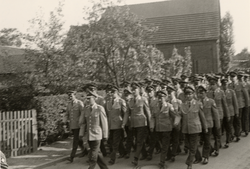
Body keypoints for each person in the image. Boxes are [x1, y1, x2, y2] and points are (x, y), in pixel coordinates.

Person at [179, 86, 208, 169]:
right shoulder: (182, 105)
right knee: (190, 145)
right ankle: (198, 157)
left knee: (192, 146)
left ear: (193, 94)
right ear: (185, 96)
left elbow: (202, 117)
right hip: (186, 129)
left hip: (195, 128)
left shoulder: (198, 104)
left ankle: (189, 164)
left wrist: (205, 127)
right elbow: (179, 115)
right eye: (186, 94)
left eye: (190, 94)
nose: (188, 96)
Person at [150, 90, 179, 169]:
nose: (159, 99)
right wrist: (152, 126)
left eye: (161, 97)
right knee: (163, 144)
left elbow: (176, 116)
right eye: (158, 97)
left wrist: (176, 123)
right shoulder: (155, 107)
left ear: (165, 97)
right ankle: (170, 155)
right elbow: (152, 117)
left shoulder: (169, 106)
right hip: (158, 129)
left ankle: (162, 162)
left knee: (165, 145)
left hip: (167, 128)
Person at [81, 91, 109, 169]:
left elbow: (104, 123)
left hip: (97, 135)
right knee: (98, 153)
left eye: (89, 99)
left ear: (95, 99)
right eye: (87, 99)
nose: (87, 100)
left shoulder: (100, 108)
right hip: (89, 135)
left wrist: (105, 135)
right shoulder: (86, 109)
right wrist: (81, 133)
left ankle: (91, 167)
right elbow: (84, 123)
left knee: (93, 154)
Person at [195, 85, 220, 165]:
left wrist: (217, 125)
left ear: (205, 93)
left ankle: (205, 157)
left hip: (209, 124)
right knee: (204, 139)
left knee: (206, 140)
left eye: (202, 93)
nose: (200, 95)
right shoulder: (196, 102)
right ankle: (211, 150)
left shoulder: (211, 101)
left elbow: (215, 114)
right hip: (199, 125)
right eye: (199, 93)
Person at [104, 85, 128, 165]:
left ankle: (112, 159)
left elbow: (125, 113)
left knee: (115, 142)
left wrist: (124, 123)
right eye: (111, 92)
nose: (111, 93)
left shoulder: (121, 101)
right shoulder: (108, 102)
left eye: (113, 92)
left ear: (117, 92)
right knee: (112, 141)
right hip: (110, 125)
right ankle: (123, 152)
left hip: (118, 124)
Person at [129, 82, 151, 166]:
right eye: (132, 89)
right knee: (139, 141)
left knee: (139, 141)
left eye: (135, 89)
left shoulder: (143, 99)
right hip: (134, 124)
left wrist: (150, 125)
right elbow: (128, 112)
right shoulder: (130, 100)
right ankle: (145, 154)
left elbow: (148, 112)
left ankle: (135, 159)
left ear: (139, 90)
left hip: (142, 123)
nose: (133, 91)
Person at [64, 90, 85, 163]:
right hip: (72, 125)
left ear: (75, 95)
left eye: (71, 95)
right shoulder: (69, 104)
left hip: (78, 125)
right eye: (69, 96)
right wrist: (65, 121)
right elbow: (67, 113)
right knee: (78, 140)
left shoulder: (79, 103)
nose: (70, 97)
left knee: (75, 141)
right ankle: (85, 150)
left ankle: (71, 157)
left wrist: (81, 120)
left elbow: (83, 112)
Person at [221, 78, 239, 144]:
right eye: (223, 85)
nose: (225, 86)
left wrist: (236, 112)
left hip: (231, 112)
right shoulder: (220, 92)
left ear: (227, 85)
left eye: (225, 84)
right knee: (226, 126)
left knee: (229, 125)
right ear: (222, 85)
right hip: (224, 112)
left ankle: (228, 140)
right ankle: (232, 136)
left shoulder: (231, 92)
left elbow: (235, 102)